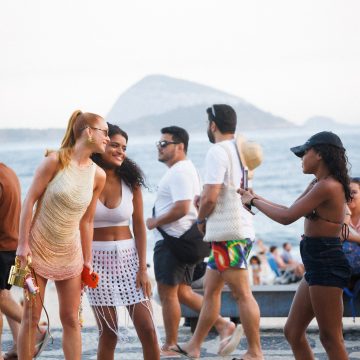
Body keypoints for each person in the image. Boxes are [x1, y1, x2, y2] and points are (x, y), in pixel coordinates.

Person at [240, 131, 352, 360]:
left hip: (326, 264)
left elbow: (286, 217)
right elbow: (290, 208)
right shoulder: (317, 183)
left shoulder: (328, 186)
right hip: (315, 264)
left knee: (330, 337)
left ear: (319, 154)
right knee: (292, 331)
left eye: (304, 153)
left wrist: (253, 202)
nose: (301, 158)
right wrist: (256, 197)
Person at [16, 110, 108, 360]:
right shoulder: (55, 161)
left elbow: (87, 221)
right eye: (105, 132)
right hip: (37, 248)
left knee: (71, 319)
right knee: (32, 316)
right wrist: (22, 245)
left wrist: (88, 260)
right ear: (88, 131)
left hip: (70, 254)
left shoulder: (98, 175)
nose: (107, 139)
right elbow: (29, 202)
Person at [146, 126, 240, 357]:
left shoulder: (180, 171)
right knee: (183, 292)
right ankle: (222, 324)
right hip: (183, 240)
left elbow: (181, 207)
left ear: (180, 147)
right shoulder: (183, 170)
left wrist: (154, 221)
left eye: (164, 143)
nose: (159, 147)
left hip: (174, 241)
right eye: (158, 143)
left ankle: (170, 345)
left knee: (167, 293)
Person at [179, 105, 263, 360]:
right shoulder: (240, 150)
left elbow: (212, 194)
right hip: (238, 228)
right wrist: (204, 200)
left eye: (208, 122)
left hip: (228, 233)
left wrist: (201, 218)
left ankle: (255, 351)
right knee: (212, 290)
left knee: (242, 293)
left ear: (213, 125)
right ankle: (194, 345)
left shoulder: (217, 150)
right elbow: (225, 189)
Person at [86, 123, 160, 360]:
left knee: (148, 329)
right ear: (101, 144)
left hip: (129, 261)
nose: (120, 151)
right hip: (95, 262)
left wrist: (142, 268)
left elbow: (139, 226)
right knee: (109, 333)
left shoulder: (131, 182)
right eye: (115, 145)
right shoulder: (85, 179)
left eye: (124, 147)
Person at [0, 163, 47, 360]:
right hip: (12, 244)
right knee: (4, 296)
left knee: (1, 299)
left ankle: (36, 329)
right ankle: (20, 346)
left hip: (3, 247)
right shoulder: (7, 171)